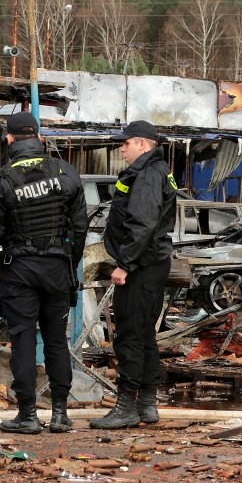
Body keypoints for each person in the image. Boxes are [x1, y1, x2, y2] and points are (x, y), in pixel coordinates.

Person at [0, 112, 88, 434]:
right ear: (39, 137)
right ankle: (60, 414)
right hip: (57, 269)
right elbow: (80, 227)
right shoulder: (66, 171)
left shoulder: (2, 179)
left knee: (23, 339)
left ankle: (27, 415)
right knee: (57, 341)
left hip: (20, 272)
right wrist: (68, 261)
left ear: (10, 140)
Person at [90, 120, 177, 429]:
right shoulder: (153, 170)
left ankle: (127, 406)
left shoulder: (149, 174)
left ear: (142, 144)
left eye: (126, 143)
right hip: (149, 263)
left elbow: (142, 223)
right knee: (143, 334)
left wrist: (124, 264)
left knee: (129, 334)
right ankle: (147, 404)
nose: (121, 148)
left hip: (140, 266)